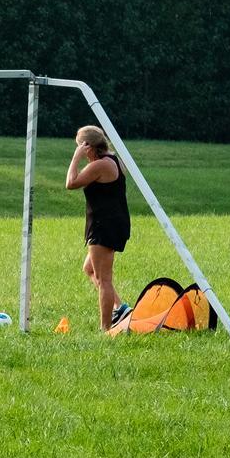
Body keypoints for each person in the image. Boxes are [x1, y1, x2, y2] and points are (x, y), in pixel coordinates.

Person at [66, 124, 131, 329]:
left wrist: (75, 158)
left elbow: (71, 183)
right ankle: (120, 308)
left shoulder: (100, 165)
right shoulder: (113, 159)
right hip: (114, 222)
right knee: (89, 269)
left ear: (88, 147)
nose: (80, 151)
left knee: (104, 280)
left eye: (80, 147)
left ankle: (106, 328)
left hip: (104, 226)